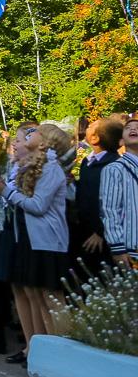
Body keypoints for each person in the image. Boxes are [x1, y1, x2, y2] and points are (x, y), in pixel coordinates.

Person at [0, 123, 72, 362]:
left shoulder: (51, 168)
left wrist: (6, 192)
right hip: (30, 238)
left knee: (50, 298)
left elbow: (38, 205)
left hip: (48, 241)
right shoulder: (32, 166)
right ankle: (36, 347)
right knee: (33, 295)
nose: (28, 136)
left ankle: (61, 352)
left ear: (46, 142)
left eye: (35, 133)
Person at [76, 117, 122, 275]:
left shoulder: (114, 165)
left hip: (103, 236)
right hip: (85, 231)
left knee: (106, 275)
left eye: (91, 127)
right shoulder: (87, 163)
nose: (86, 128)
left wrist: (100, 231)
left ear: (95, 138)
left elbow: (115, 203)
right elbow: (86, 193)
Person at [101, 118, 138, 267]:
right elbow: (110, 210)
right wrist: (117, 247)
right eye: (129, 127)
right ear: (121, 141)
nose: (134, 129)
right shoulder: (114, 169)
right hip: (131, 247)